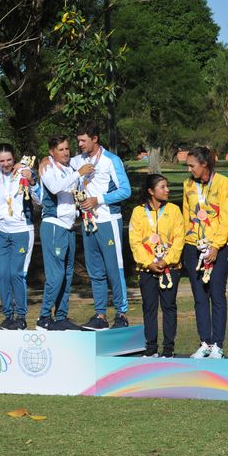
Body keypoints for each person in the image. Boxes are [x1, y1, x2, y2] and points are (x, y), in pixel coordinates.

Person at [70, 124, 132, 330]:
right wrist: (43, 161)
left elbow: (126, 191)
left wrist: (99, 199)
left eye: (83, 141)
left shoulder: (111, 161)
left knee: (115, 269)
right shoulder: (78, 161)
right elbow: (56, 164)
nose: (79, 145)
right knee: (95, 271)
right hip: (88, 222)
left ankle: (121, 314)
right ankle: (100, 315)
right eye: (78, 141)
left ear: (95, 139)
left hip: (108, 220)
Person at [36, 135, 94, 330]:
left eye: (67, 149)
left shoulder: (69, 168)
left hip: (69, 227)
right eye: (60, 149)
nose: (66, 152)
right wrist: (78, 173)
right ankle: (43, 318)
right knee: (56, 275)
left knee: (68, 274)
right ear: (51, 152)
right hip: (54, 225)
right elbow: (54, 187)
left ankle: (61, 316)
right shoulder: (48, 168)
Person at [182, 147, 228, 359]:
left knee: (216, 295)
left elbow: (227, 218)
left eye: (192, 165)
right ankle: (205, 342)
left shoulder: (222, 183)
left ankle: (218, 345)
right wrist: (189, 240)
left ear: (204, 164)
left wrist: (216, 246)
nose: (189, 169)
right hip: (194, 247)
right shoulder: (188, 184)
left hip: (218, 248)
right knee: (199, 297)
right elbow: (187, 215)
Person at [129, 174, 184, 357]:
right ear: (151, 191)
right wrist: (148, 263)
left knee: (169, 306)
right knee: (149, 307)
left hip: (170, 268)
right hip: (147, 269)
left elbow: (179, 239)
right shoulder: (138, 212)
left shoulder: (175, 210)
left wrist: (166, 260)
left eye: (167, 186)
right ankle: (151, 348)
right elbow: (135, 242)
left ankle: (169, 349)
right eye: (162, 187)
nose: (167, 190)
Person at [0, 143, 41, 330]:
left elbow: (40, 200)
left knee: (16, 274)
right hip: (1, 231)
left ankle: (21, 317)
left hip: (21, 230)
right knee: (2, 274)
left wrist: (33, 180)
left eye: (9, 160)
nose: (5, 164)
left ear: (15, 158)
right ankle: (8, 316)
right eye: (1, 161)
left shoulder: (24, 173)